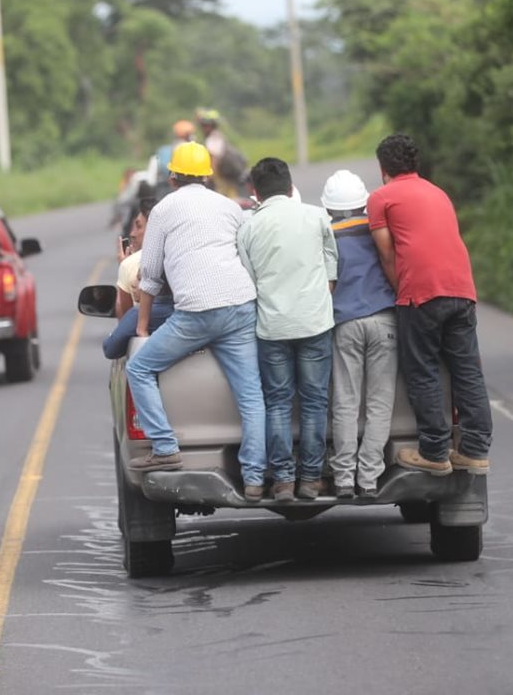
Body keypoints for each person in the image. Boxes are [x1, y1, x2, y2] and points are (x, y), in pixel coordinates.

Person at [124, 142, 269, 503]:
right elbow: (247, 251)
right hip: (239, 306)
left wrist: (142, 327)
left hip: (197, 314)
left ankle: (165, 446)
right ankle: (254, 479)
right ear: (207, 175)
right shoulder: (228, 205)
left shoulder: (163, 209)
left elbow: (151, 275)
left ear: (172, 177)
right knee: (251, 395)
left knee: (139, 368)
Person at [367, 134, 492, 476]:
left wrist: (401, 293)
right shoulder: (439, 193)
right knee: (466, 369)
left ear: (383, 169)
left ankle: (435, 452)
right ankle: (475, 451)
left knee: (421, 369)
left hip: (422, 293)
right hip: (462, 289)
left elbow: (387, 254)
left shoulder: (381, 198)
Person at [236, 158, 338, 501]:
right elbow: (331, 271)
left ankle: (282, 480)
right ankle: (310, 479)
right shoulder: (316, 217)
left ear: (254, 191)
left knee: (278, 403)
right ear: (291, 185)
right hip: (314, 324)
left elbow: (248, 282)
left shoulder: (248, 228)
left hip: (272, 326)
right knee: (314, 402)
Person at [320, 170, 399, 499]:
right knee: (380, 404)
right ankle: (368, 479)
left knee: (345, 403)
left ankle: (343, 478)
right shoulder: (377, 229)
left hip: (345, 324)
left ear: (329, 208)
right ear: (362, 202)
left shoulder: (326, 234)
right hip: (384, 320)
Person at [115, 198, 157, 317]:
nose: (132, 234)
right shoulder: (175, 256)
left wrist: (124, 268)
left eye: (138, 227)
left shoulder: (129, 264)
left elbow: (123, 314)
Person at [196, 108, 247, 198]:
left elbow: (214, 159)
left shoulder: (213, 139)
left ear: (211, 126)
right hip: (225, 177)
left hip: (221, 178)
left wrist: (208, 177)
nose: (203, 128)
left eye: (205, 125)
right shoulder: (218, 136)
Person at [145, 119, 197, 199]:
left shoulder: (163, 150)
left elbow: (151, 177)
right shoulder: (195, 150)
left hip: (165, 189)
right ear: (188, 134)